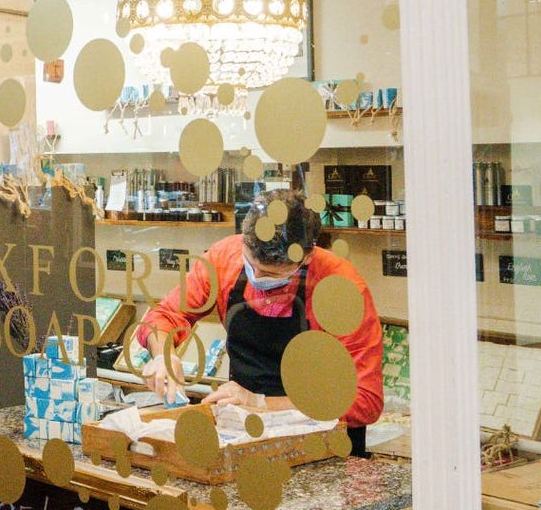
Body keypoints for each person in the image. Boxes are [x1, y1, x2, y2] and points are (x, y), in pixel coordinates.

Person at [132, 194, 384, 454]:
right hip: (246, 435)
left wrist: (261, 403)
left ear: (306, 257)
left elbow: (365, 400)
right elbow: (164, 316)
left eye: (273, 274)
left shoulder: (341, 288)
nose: (258, 278)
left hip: (325, 448)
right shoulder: (223, 258)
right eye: (252, 265)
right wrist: (163, 353)